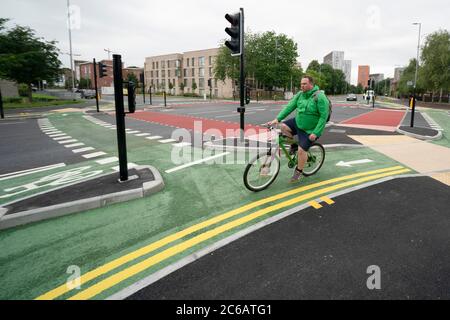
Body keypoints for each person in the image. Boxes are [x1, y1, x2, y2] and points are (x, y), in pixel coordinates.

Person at [267, 76, 329, 183]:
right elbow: (289, 107)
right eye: (301, 84)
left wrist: (316, 132)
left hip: (310, 130)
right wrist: (277, 119)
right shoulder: (300, 95)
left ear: (311, 84)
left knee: (301, 151)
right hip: (298, 123)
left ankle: (299, 171)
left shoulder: (320, 97)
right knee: (282, 126)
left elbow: (323, 117)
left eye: (304, 84)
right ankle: (294, 145)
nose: (302, 86)